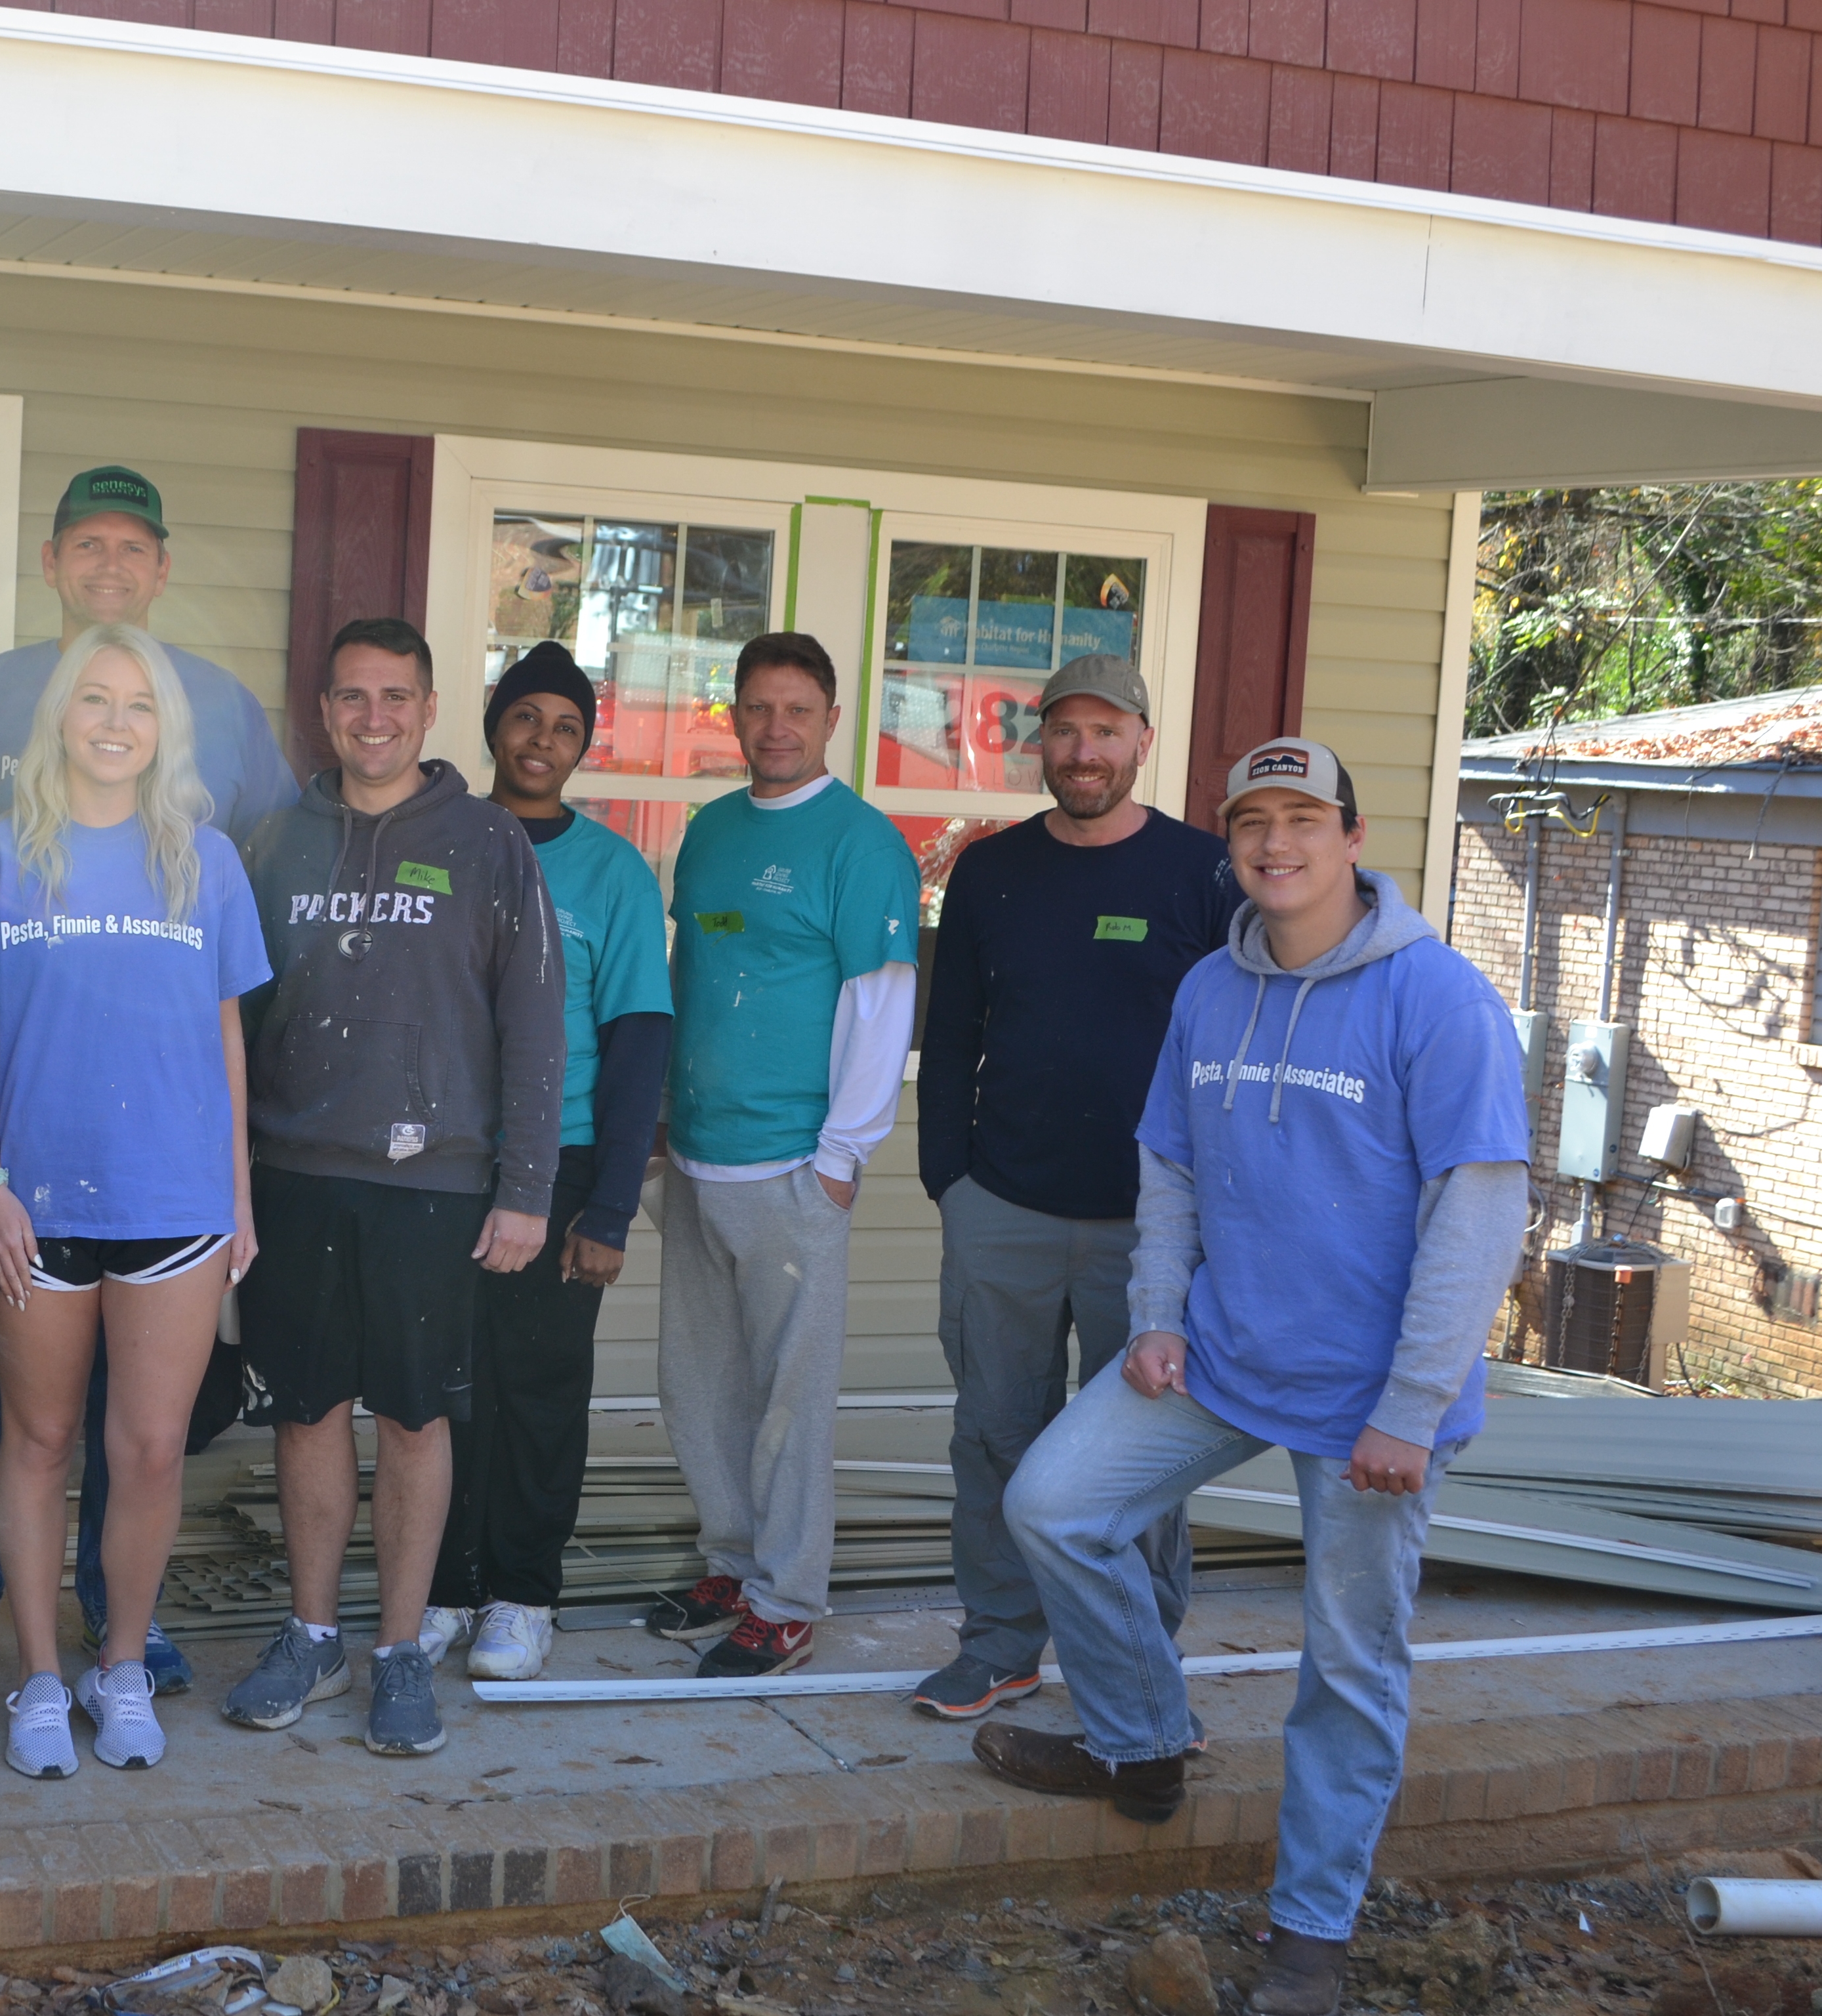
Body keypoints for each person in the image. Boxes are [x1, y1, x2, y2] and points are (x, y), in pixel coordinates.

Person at [983, 739, 1529, 2016]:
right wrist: (1160, 1315)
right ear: (1228, 845)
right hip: (1226, 1355)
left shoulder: (1437, 1001)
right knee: (1054, 1506)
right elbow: (1167, 1162)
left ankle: (1312, 1933)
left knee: (1347, 1666)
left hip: (1371, 1406)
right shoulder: (1210, 995)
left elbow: (1477, 1216)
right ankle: (1144, 1741)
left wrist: (1408, 1409)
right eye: (1250, 826)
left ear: (1351, 834)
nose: (1275, 846)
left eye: (1301, 820)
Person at [0, 466, 297, 1706]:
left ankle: (119, 1634)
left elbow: (229, 999)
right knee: (8, 1405)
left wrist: (239, 1188)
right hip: (27, 1171)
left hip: (165, 1176)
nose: (110, 565)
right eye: (89, 545)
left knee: (145, 1435)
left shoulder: (216, 808)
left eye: (134, 546)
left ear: (162, 564)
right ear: (52, 559)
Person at [226, 615, 565, 1757]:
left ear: (428, 710)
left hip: (436, 1184)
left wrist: (526, 1192)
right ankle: (314, 1632)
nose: (374, 717)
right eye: (351, 697)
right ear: (324, 714)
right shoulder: (273, 838)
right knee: (308, 1411)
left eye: (396, 697)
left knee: (417, 1417)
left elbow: (535, 1023)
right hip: (293, 1175)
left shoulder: (485, 841)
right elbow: (232, 1021)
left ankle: (400, 1650)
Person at [0, 623, 272, 1776]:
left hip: (173, 1198)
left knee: (145, 1452)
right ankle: (40, 1677)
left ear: (164, 729)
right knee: (37, 1440)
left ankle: (120, 1663)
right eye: (94, 698)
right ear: (60, 717)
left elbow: (228, 1030)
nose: (116, 722)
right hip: (33, 1203)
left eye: (139, 703)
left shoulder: (205, 858)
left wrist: (236, 1190)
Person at [907, 654, 1238, 1721]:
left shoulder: (1207, 874)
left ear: (1144, 742)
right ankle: (999, 1645)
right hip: (1001, 1206)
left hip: (1150, 1229)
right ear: (1038, 743)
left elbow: (1234, 1043)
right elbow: (951, 1034)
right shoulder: (994, 873)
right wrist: (949, 1179)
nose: (1084, 752)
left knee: (1136, 1460)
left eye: (1106, 732)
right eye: (1065, 732)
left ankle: (1134, 1660)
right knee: (995, 1434)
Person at [654, 631, 920, 1679]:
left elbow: (879, 1001)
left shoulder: (862, 843)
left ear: (831, 720)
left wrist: (843, 1154)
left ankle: (788, 1595)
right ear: (736, 715)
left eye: (796, 710)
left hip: (792, 1164)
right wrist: (664, 1122)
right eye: (757, 708)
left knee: (788, 1400)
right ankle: (730, 1559)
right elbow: (691, 975)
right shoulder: (711, 832)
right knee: (698, 1383)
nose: (775, 728)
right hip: (696, 1153)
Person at [415, 642, 670, 1683]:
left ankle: (523, 1595)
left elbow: (641, 1037)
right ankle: (438, 1589)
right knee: (435, 1386)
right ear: (492, 725)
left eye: (567, 727)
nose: (543, 742)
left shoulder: (610, 869)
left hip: (560, 1162)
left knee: (539, 1388)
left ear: (583, 746)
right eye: (527, 719)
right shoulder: (439, 840)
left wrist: (608, 1206)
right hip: (437, 1163)